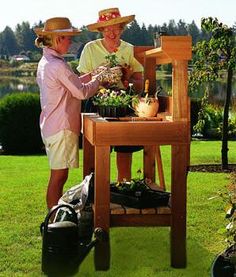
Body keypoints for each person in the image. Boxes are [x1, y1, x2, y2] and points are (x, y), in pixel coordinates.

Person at [34, 17, 107, 209]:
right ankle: (54, 223)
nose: (71, 43)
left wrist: (92, 75)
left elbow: (72, 83)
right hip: (61, 127)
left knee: (58, 176)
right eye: (69, 39)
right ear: (58, 39)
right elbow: (82, 92)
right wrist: (99, 80)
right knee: (59, 177)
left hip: (52, 125)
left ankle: (54, 221)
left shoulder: (47, 62)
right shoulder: (57, 65)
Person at [77, 7, 144, 182]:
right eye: (107, 29)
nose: (111, 33)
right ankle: (96, 193)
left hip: (123, 104)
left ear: (122, 29)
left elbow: (140, 84)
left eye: (115, 28)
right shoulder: (90, 49)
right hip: (96, 103)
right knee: (98, 152)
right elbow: (81, 82)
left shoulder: (130, 50)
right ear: (101, 30)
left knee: (125, 150)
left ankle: (124, 188)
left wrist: (128, 77)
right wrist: (98, 80)